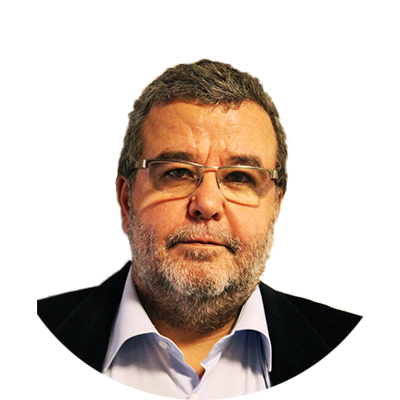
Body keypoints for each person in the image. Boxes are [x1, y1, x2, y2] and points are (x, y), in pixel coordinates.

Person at [37, 60, 362, 399]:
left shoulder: (349, 348)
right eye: (177, 172)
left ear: (275, 208)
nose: (206, 204)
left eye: (239, 177)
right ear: (126, 201)